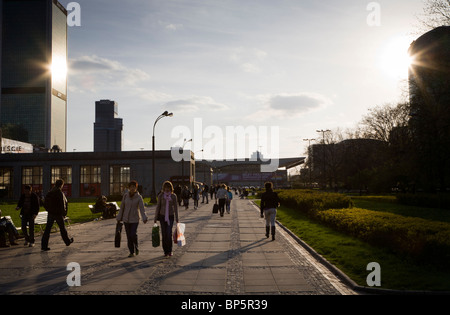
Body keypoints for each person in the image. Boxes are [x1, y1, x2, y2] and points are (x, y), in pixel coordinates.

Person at [116, 180, 148, 257]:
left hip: (135, 219)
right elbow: (122, 207)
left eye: (134, 187)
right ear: (129, 188)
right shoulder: (125, 196)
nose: (132, 188)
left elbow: (142, 208)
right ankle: (131, 252)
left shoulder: (139, 197)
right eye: (131, 187)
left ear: (136, 188)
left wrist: (144, 217)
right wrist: (119, 217)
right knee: (128, 236)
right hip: (126, 219)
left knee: (133, 234)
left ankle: (136, 246)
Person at [41, 179, 73, 251]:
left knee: (47, 230)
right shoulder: (59, 193)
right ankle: (67, 241)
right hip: (58, 214)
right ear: (61, 185)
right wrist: (64, 213)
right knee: (62, 229)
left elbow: (45, 203)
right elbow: (63, 204)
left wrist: (48, 210)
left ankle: (44, 245)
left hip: (51, 213)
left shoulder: (50, 192)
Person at [154, 181, 179, 257]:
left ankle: (170, 250)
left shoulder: (173, 196)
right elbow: (158, 207)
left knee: (168, 233)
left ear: (171, 188)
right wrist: (155, 217)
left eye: (168, 187)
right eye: (166, 187)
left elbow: (175, 208)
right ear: (163, 188)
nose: (167, 189)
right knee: (164, 234)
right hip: (162, 216)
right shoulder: (161, 196)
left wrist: (177, 218)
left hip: (170, 216)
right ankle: (165, 251)